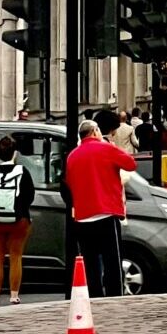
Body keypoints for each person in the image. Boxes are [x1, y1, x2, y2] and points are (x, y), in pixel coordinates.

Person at [63, 118, 136, 297]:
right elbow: (130, 164)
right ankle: (114, 297)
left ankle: (95, 297)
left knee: (91, 262)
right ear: (95, 131)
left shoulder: (72, 156)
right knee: (112, 261)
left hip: (83, 216)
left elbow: (69, 182)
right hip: (105, 212)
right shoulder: (106, 148)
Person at [0, 134, 37, 306]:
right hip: (19, 221)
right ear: (14, 153)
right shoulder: (22, 172)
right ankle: (14, 295)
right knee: (16, 256)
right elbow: (30, 196)